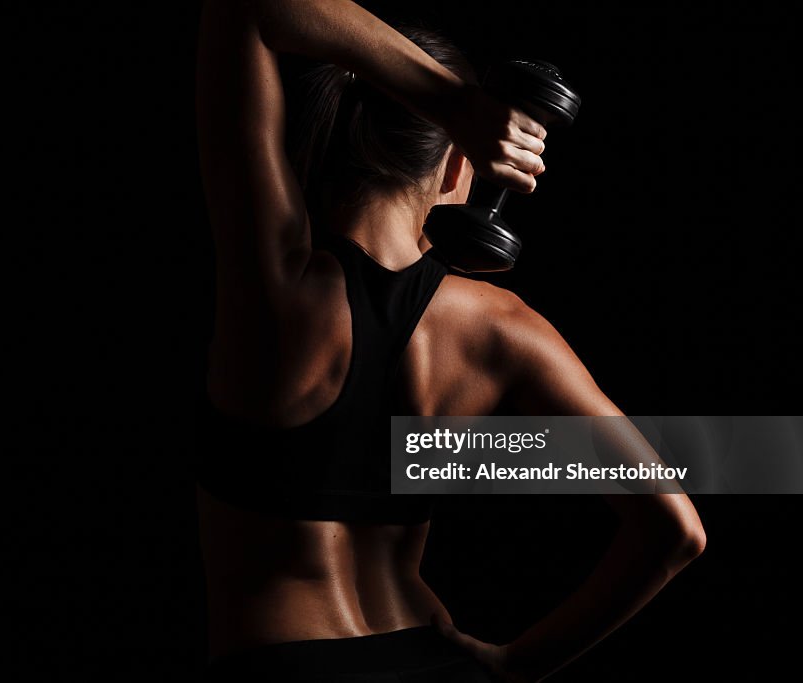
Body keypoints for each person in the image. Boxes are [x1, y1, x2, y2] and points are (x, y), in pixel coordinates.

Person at [193, 1, 706, 681]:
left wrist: (448, 101)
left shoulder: (275, 292)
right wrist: (517, 663)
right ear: (461, 165)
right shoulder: (503, 329)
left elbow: (248, 11)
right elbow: (675, 530)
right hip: (434, 659)